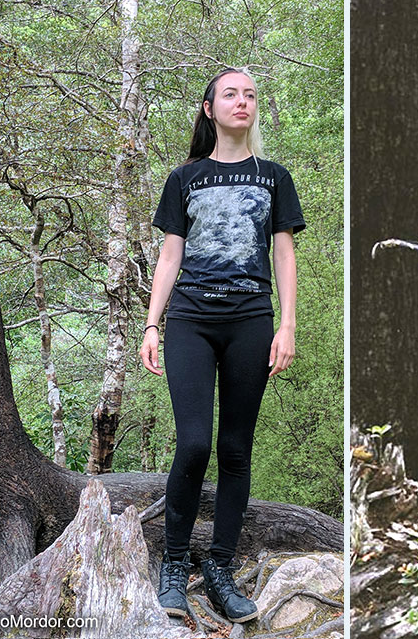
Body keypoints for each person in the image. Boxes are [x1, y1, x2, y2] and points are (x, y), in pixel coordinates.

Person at [140, 67, 305, 624]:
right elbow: (170, 256)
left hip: (251, 321)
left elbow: (283, 254)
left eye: (251, 94)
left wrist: (286, 326)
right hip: (190, 318)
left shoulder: (273, 177)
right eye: (231, 93)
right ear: (209, 108)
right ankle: (173, 564)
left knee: (235, 449)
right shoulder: (185, 177)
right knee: (193, 444)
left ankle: (220, 570)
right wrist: (151, 324)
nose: (243, 101)